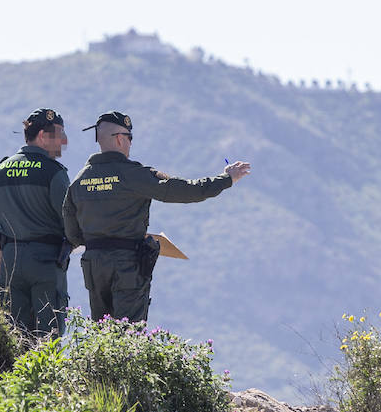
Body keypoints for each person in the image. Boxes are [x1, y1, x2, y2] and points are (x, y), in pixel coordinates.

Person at [62, 110, 251, 322]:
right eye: (130, 138)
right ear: (119, 139)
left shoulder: (79, 180)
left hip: (94, 265)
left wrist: (99, 240)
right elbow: (184, 190)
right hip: (127, 266)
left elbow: (71, 232)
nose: (131, 144)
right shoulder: (133, 174)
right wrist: (225, 179)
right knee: (129, 337)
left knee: (101, 335)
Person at [0, 108, 71, 336]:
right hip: (47, 264)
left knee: (13, 339)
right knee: (48, 341)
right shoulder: (54, 172)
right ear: (42, 136)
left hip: (10, 262)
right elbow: (72, 224)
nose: (64, 140)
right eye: (59, 133)